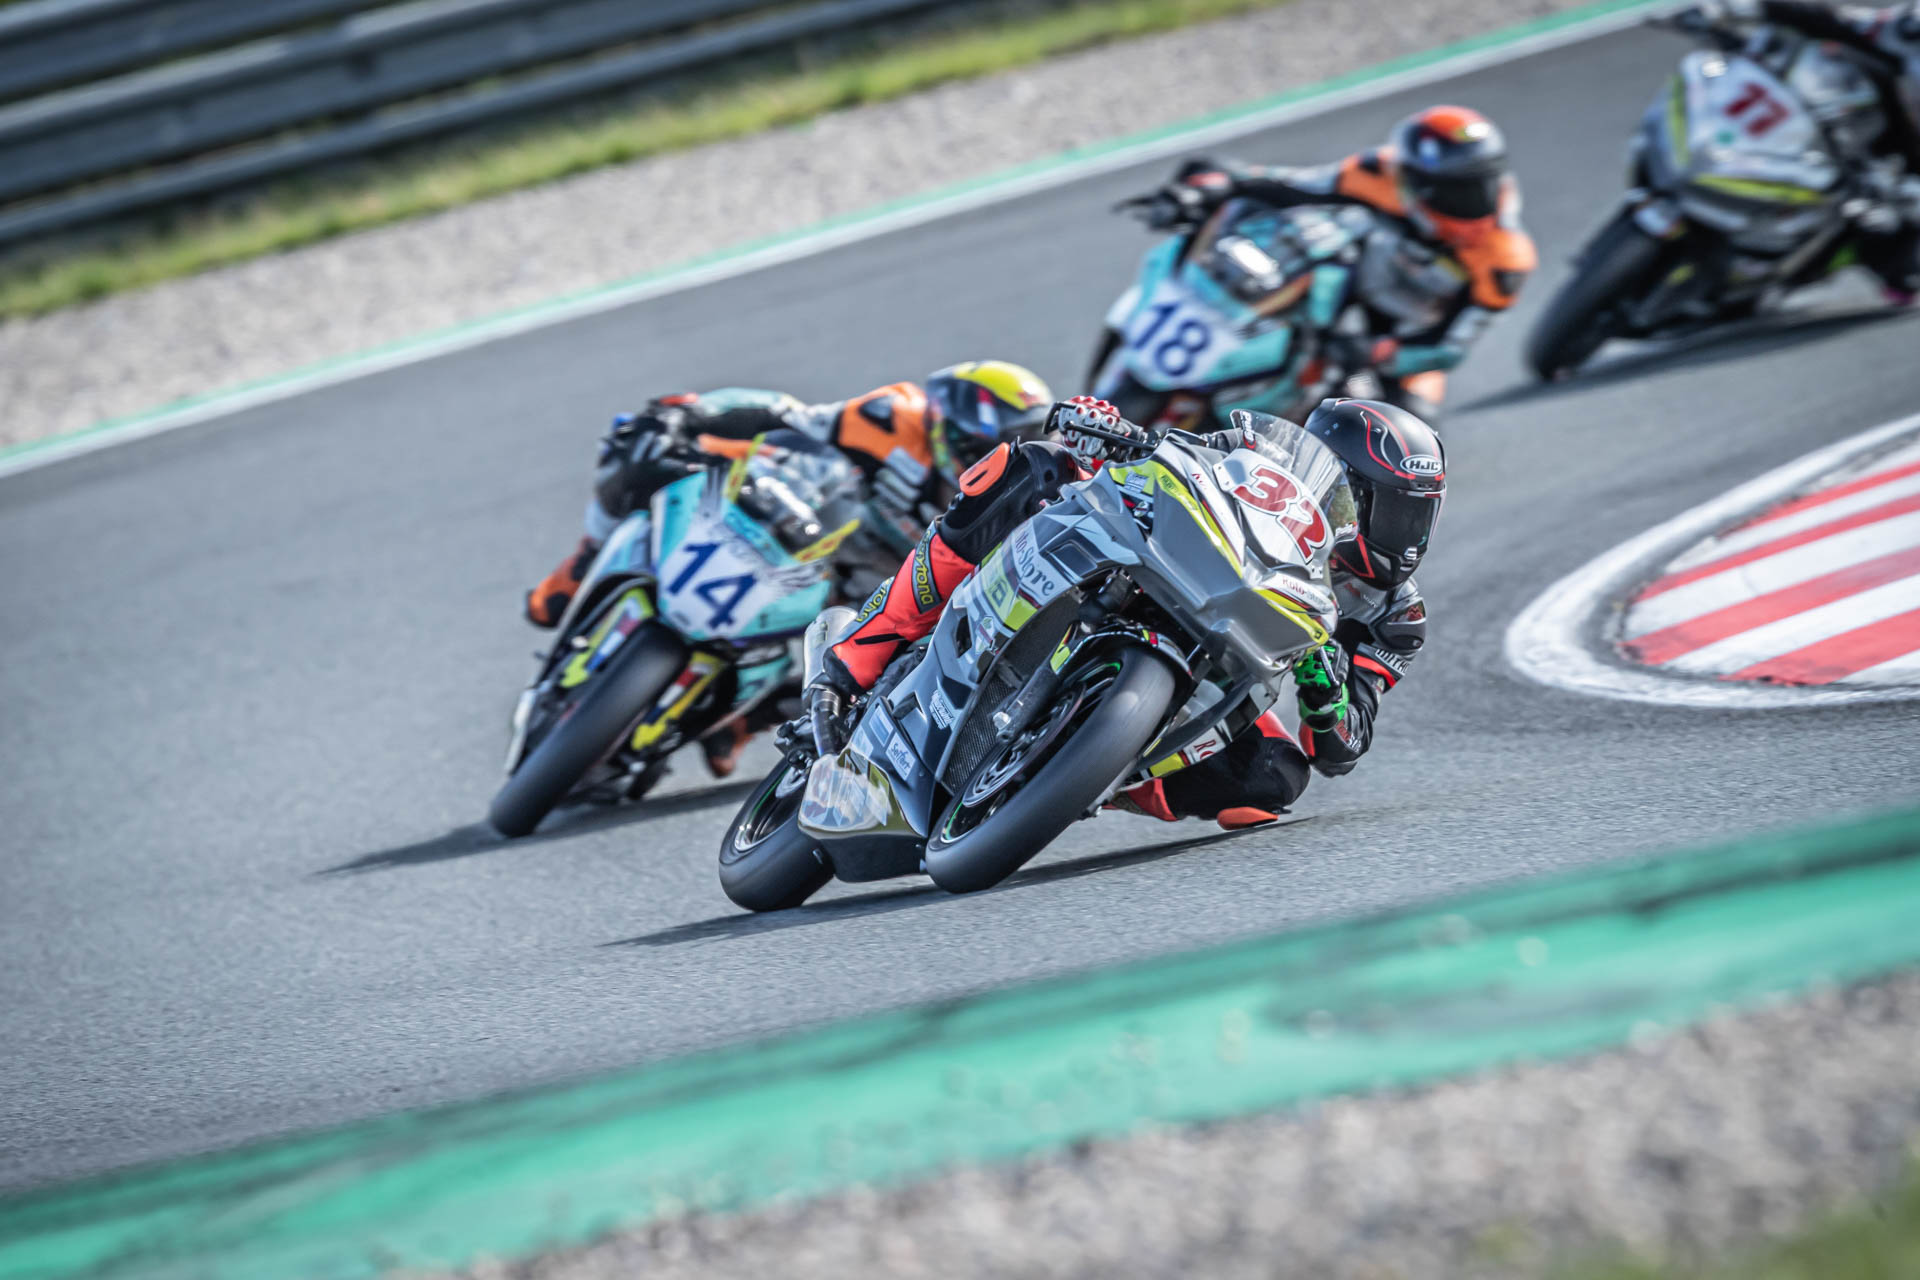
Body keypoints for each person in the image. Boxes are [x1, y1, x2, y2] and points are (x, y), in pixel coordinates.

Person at [807, 395, 1442, 829]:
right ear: (1343, 490)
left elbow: (1341, 748)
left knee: (1274, 776)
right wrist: (1109, 432)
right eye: (1392, 510)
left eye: (1419, 513)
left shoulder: (1394, 619)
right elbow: (1176, 455)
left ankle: (1084, 774)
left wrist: (1326, 693)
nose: (1407, 535)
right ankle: (863, 648)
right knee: (1033, 467)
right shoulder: (1260, 460)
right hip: (1169, 564)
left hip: (1224, 671)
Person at [523, 360, 1053, 775]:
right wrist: (695, 416)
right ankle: (581, 565)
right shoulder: (892, 418)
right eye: (977, 445)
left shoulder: (995, 510)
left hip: (860, 583)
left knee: (865, 666)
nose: (985, 458)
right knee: (635, 451)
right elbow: (787, 415)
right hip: (785, 518)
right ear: (948, 425)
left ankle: (743, 722)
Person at [1138, 105, 1537, 423]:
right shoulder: (1377, 174)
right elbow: (1289, 185)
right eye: (1453, 192)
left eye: (1480, 186)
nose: (1471, 204)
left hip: (1402, 339)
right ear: (1413, 182)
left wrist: (1374, 352)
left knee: (1406, 435)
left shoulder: (1506, 260)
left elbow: (1447, 348)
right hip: (1339, 294)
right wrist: (1214, 186)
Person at [1680, 0, 1920, 301]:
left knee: (1901, 265)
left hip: (1887, 180)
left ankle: (1784, 275)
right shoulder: (1905, 31)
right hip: (1831, 126)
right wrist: (1740, 8)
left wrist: (1906, 197)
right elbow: (1828, 18)